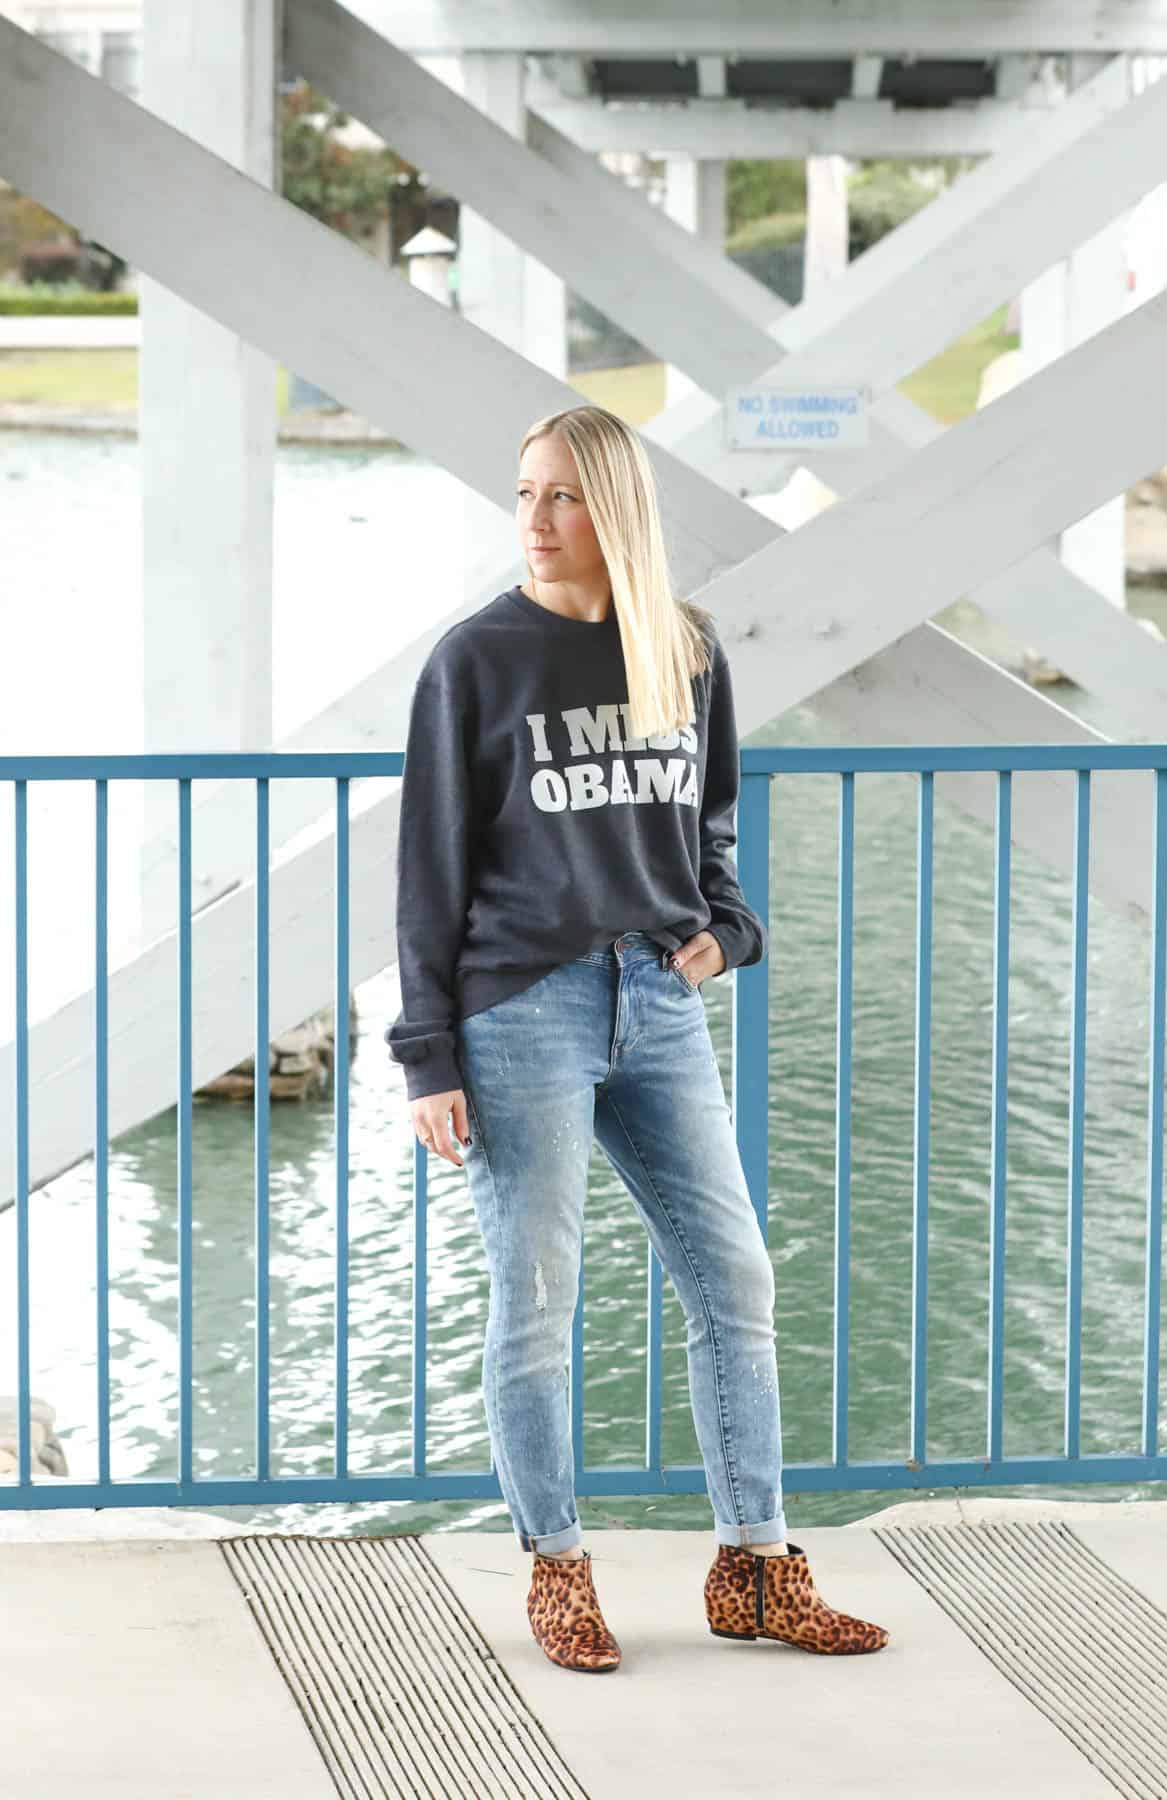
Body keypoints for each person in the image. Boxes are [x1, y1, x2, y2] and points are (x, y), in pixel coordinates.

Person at [385, 403, 889, 1673]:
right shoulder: (475, 661)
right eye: (524, 494)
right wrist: (428, 1053)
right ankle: (557, 1568)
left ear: (617, 512)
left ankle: (758, 1568)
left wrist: (731, 928)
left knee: (736, 1281)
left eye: (562, 497)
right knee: (538, 1301)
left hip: (658, 1001)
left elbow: (709, 822)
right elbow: (429, 869)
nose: (537, 523)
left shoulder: (687, 648)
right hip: (519, 1008)